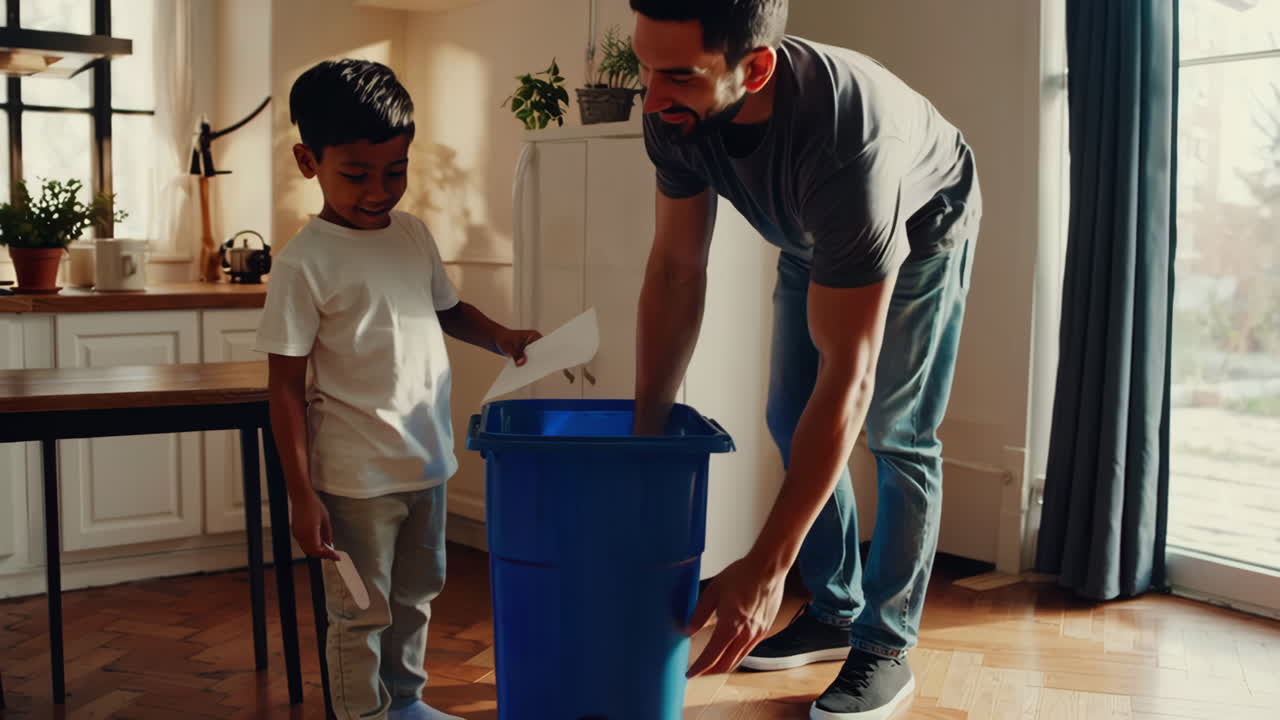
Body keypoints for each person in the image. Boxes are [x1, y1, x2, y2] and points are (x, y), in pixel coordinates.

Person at [628, 2, 981, 717]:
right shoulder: (673, 113)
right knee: (790, 414)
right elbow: (675, 271)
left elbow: (848, 378)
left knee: (895, 433)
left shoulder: (848, 142)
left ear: (754, 69)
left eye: (677, 76)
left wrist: (765, 568)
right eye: (642, 67)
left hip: (918, 227)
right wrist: (645, 439)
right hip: (813, 233)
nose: (652, 95)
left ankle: (884, 645)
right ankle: (833, 608)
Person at [256, 58, 541, 720]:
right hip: (353, 483)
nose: (379, 190)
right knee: (360, 612)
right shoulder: (303, 265)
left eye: (395, 171)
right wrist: (302, 495)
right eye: (356, 174)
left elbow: (444, 309)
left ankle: (405, 704)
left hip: (427, 463)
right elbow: (285, 391)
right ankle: (364, 715)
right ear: (308, 161)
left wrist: (503, 336)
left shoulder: (412, 234)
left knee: (416, 597)